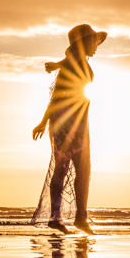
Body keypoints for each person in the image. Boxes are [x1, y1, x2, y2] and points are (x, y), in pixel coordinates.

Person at [32, 24, 107, 234]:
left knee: (81, 169)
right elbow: (57, 96)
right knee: (65, 168)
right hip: (66, 122)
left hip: (79, 121)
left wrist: (57, 64)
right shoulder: (73, 63)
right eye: (93, 41)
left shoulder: (76, 61)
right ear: (83, 43)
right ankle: (61, 218)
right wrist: (43, 121)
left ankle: (78, 218)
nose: (97, 46)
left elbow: (70, 60)